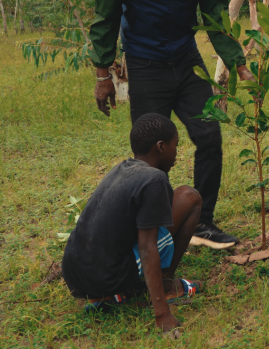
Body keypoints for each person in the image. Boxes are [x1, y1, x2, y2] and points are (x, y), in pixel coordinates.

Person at [89, 0, 247, 249]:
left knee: (209, 137)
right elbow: (106, 15)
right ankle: (155, 230)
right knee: (152, 154)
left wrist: (239, 62)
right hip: (145, 63)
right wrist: (103, 76)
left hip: (187, 60)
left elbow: (216, 16)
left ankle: (202, 224)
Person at [62, 114, 202, 336]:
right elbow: (147, 248)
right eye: (176, 145)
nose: (177, 153)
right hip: (105, 278)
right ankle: (162, 287)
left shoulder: (124, 168)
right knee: (177, 216)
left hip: (74, 274)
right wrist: (162, 315)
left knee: (187, 195)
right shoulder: (154, 178)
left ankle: (109, 294)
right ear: (161, 147)